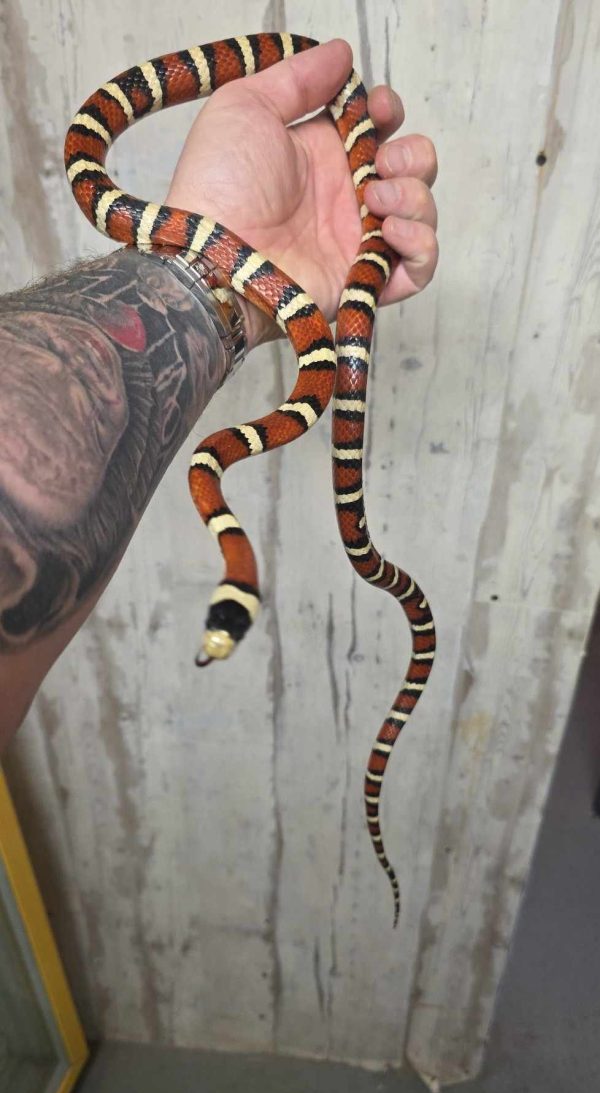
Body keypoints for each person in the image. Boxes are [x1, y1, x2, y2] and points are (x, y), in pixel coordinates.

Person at [0, 39, 438, 753]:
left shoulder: (214, 469)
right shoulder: (211, 468)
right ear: (242, 585)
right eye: (230, 617)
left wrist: (208, 284)